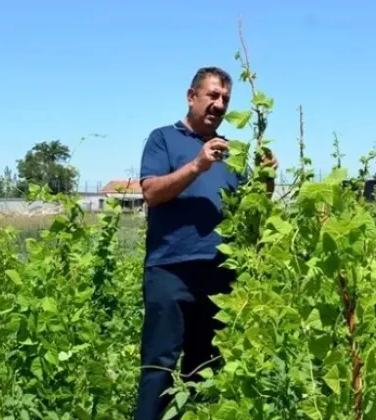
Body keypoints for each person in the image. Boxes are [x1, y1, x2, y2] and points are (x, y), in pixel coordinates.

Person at [135, 66, 277, 419]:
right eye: (212, 95)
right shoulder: (163, 139)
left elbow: (252, 209)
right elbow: (151, 192)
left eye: (225, 98)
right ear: (191, 96)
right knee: (160, 366)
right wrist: (197, 165)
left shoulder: (232, 152)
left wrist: (267, 179)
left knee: (207, 367)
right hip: (170, 269)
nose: (219, 103)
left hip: (218, 273)